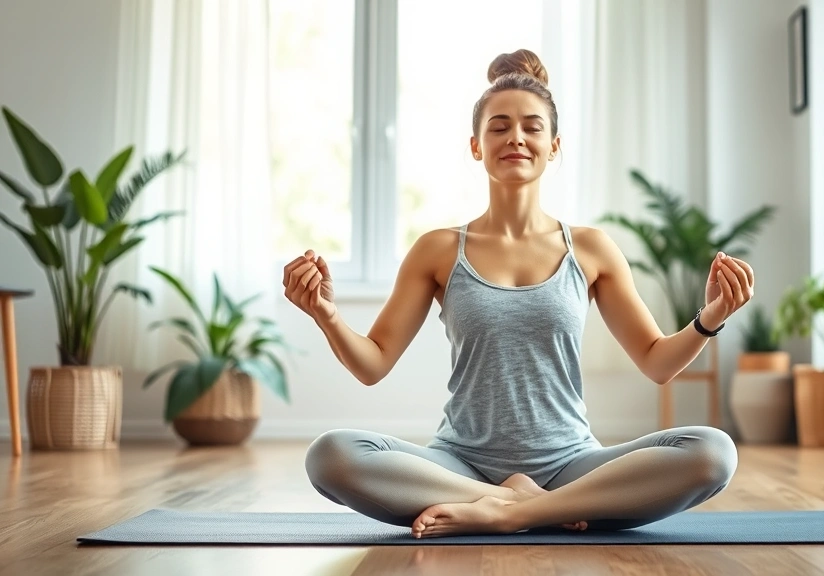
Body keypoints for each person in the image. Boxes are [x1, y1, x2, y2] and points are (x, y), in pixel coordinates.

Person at [283, 49, 754, 539]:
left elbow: (657, 362)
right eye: (499, 126)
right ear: (475, 146)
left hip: (571, 463)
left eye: (532, 127)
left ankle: (508, 513)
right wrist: (326, 314)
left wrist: (712, 314)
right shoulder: (438, 249)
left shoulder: (591, 249)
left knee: (713, 451)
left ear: (554, 145)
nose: (516, 138)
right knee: (331, 456)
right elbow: (373, 363)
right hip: (458, 464)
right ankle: (527, 505)